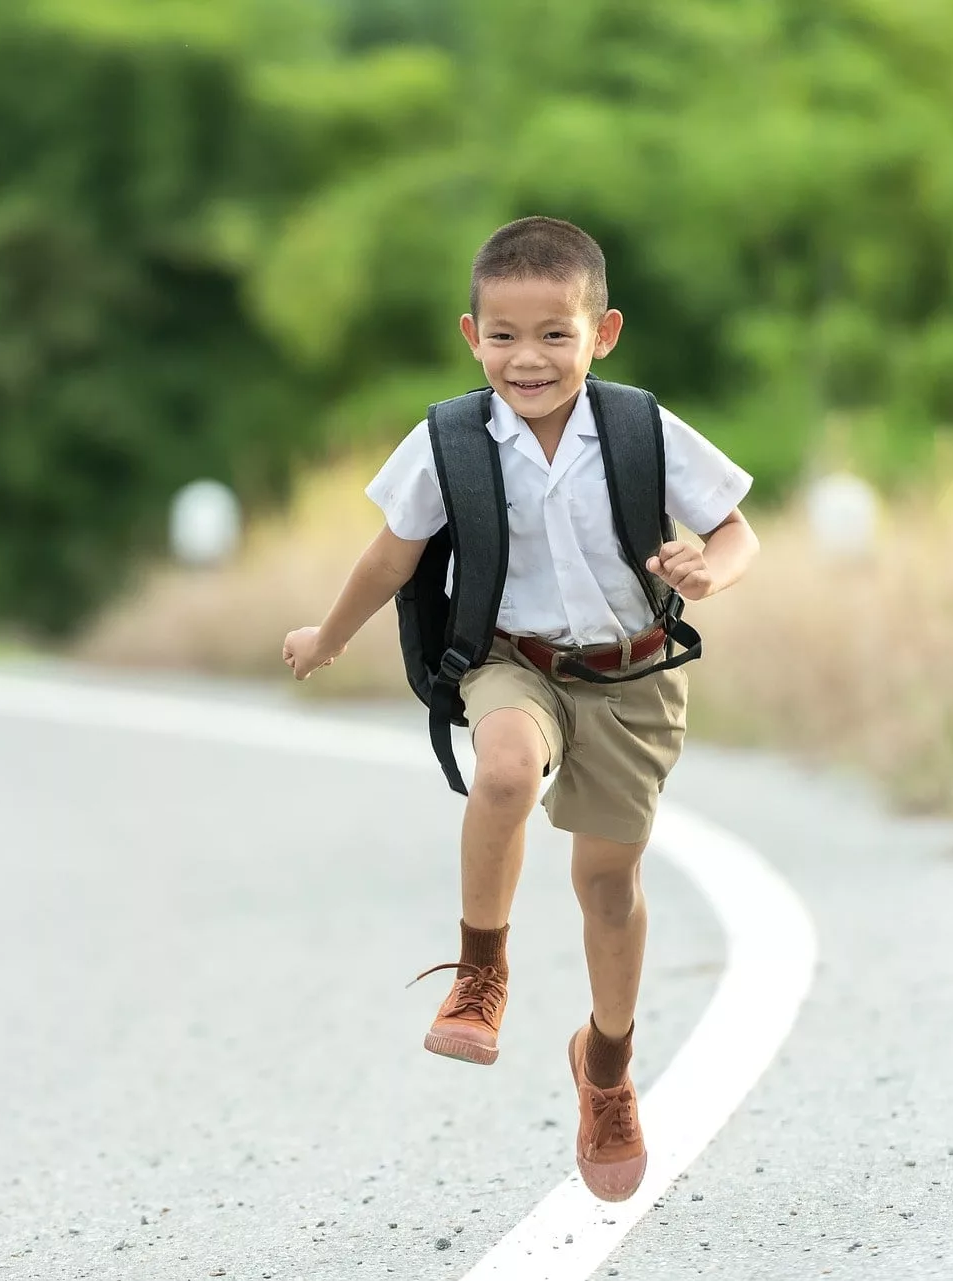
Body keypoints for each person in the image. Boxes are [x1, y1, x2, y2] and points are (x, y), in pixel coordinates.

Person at [280, 216, 759, 1202]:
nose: (527, 358)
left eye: (554, 334)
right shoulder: (449, 441)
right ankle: (481, 975)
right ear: (471, 336)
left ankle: (608, 1064)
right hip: (513, 662)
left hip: (630, 678)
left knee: (606, 888)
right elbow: (393, 554)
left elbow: (734, 528)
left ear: (603, 332)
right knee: (501, 771)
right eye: (504, 336)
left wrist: (710, 570)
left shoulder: (639, 430)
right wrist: (328, 633)